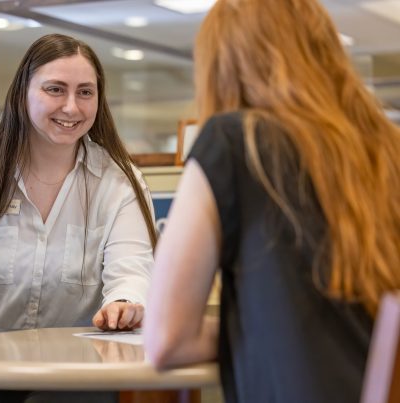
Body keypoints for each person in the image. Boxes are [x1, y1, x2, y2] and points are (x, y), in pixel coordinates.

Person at [144, 1, 400, 403]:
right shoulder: (388, 151)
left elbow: (167, 338)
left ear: (222, 67)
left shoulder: (234, 142)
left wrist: (259, 324)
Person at [0, 33, 156, 335]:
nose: (71, 107)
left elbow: (132, 270)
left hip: (76, 371)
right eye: (55, 89)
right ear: (22, 93)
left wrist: (124, 302)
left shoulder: (119, 182)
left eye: (85, 92)